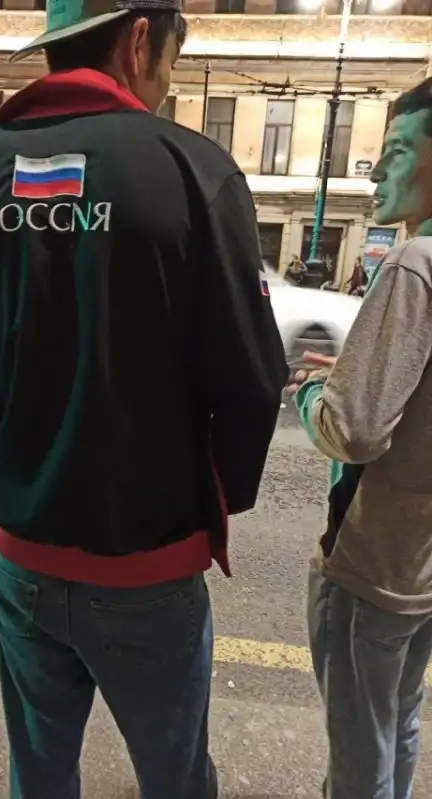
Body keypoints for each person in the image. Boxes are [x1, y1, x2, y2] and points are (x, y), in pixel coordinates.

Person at [0, 1, 288, 797]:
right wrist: (200, 501)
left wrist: (17, 476)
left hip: (23, 564)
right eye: (171, 64)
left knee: (40, 773)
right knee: (175, 778)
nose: (165, 83)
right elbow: (253, 379)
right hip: (150, 565)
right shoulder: (193, 169)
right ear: (140, 40)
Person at [289, 76, 432, 799]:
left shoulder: (414, 264)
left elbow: (354, 429)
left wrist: (313, 394)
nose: (374, 173)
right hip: (423, 570)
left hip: (372, 566)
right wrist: (356, 374)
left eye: (396, 151)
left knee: (357, 757)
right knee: (398, 721)